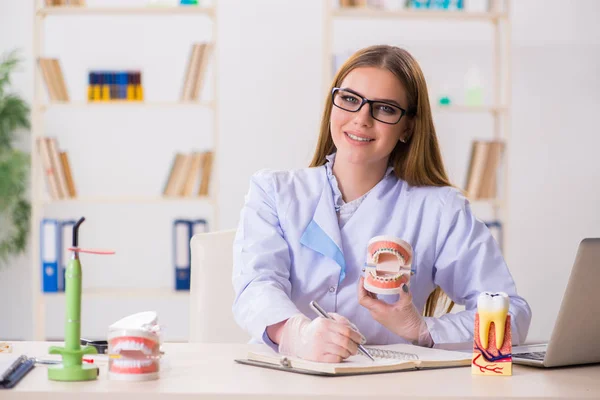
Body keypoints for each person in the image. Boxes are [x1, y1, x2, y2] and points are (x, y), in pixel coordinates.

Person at [232, 45, 531, 363]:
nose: (361, 119)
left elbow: (511, 313)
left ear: (408, 127)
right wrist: (296, 335)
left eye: (385, 109)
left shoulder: (440, 209)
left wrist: (422, 330)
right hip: (284, 376)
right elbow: (256, 284)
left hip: (388, 384)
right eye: (349, 99)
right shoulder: (274, 191)